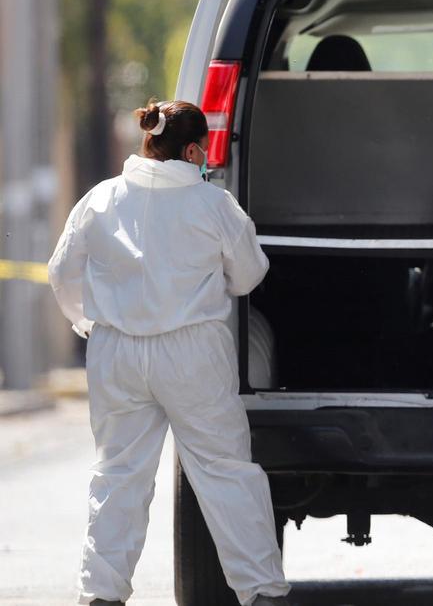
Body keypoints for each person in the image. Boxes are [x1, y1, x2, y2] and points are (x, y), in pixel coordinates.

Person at [48, 100, 290, 606]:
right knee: (225, 471)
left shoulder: (101, 199)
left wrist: (88, 323)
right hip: (193, 352)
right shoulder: (213, 204)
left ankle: (101, 596)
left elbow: (61, 274)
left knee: (117, 475)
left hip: (116, 351)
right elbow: (248, 275)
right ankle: (262, 593)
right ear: (195, 149)